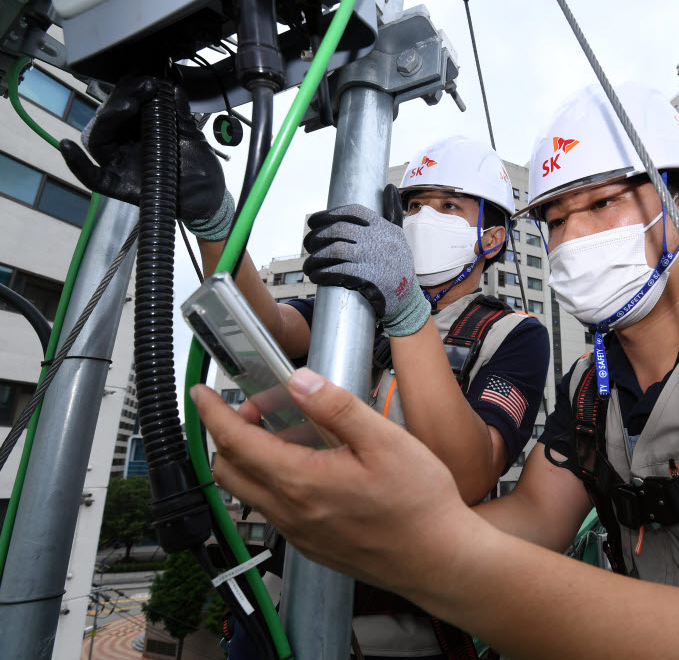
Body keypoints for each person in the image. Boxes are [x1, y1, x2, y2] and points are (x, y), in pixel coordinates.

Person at [191, 81, 679, 659]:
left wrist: (430, 548)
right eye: (558, 219)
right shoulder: (591, 384)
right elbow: (534, 519)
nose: (572, 238)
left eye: (601, 204)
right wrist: (360, 525)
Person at [60, 80, 550, 659]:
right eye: (414, 204)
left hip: (401, 627)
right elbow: (263, 324)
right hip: (281, 602)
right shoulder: (353, 310)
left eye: (449, 206)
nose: (423, 218)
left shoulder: (511, 333)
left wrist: (405, 306)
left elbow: (469, 474)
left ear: (490, 238)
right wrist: (213, 217)